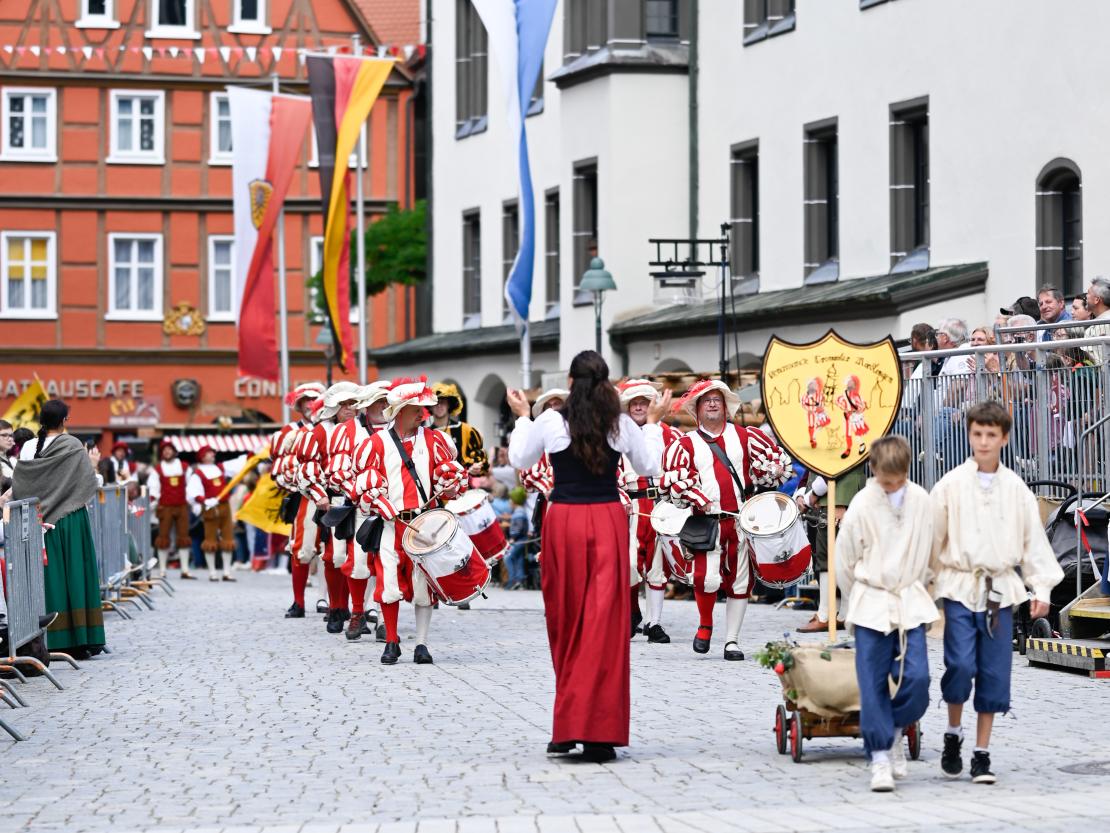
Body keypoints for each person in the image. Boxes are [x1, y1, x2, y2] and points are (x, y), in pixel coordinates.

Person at [507, 351, 668, 763]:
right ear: (606, 385)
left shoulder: (551, 420)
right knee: (604, 625)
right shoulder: (619, 425)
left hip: (563, 520)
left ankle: (568, 727)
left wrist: (523, 415)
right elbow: (649, 464)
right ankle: (597, 731)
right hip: (607, 519)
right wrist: (653, 424)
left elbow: (519, 459)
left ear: (572, 382)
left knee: (565, 620)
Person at [930, 401, 1064, 784]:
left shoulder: (1016, 489)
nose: (984, 441)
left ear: (1003, 438)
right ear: (969, 434)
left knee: (993, 672)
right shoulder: (950, 485)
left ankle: (981, 754)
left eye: (991, 435)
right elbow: (932, 537)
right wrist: (923, 585)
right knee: (959, 664)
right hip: (959, 586)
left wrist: (1041, 587)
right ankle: (953, 733)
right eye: (977, 434)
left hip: (1000, 592)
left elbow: (1032, 541)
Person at [661, 379, 791, 660]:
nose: (711, 403)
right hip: (706, 523)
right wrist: (697, 497)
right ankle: (705, 624)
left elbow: (775, 468)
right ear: (696, 408)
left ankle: (732, 641)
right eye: (706, 399)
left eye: (716, 399)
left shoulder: (746, 437)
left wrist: (773, 468)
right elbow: (675, 485)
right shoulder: (685, 444)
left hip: (741, 523)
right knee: (705, 579)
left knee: (740, 583)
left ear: (725, 406)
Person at [835, 436, 936, 792]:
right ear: (874, 470)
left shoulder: (922, 500)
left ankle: (893, 729)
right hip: (871, 600)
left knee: (918, 678)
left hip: (909, 598)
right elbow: (844, 560)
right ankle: (879, 755)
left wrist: (926, 587)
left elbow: (932, 549)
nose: (892, 485)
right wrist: (856, 598)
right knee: (872, 680)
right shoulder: (862, 503)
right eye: (885, 479)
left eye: (898, 479)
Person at [351, 378, 467, 665]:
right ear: (400, 410)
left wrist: (452, 485)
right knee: (388, 584)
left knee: (423, 588)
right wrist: (380, 503)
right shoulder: (375, 444)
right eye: (417, 408)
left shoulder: (433, 440)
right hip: (391, 526)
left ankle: (422, 644)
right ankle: (391, 640)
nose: (423, 413)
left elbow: (448, 475)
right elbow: (364, 491)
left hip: (425, 525)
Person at [12, 399, 106, 659]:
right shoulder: (74, 445)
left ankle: (51, 638)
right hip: (70, 517)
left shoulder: (30, 446)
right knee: (74, 576)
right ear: (65, 420)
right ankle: (80, 637)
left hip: (38, 518)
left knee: (47, 579)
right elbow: (89, 482)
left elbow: (23, 481)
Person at [617, 378, 683, 643]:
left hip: (660, 505)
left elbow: (682, 466)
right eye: (635, 401)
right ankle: (633, 611)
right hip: (629, 505)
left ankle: (654, 623)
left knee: (657, 566)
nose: (640, 406)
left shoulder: (672, 435)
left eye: (645, 401)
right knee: (629, 562)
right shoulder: (618, 435)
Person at [328, 381, 392, 641]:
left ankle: (381, 615)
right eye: (378, 401)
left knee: (387, 563)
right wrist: (363, 494)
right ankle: (356, 612)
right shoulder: (347, 430)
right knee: (357, 564)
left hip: (392, 507)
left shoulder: (398, 429)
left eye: (387, 402)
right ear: (367, 405)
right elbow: (338, 472)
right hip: (361, 505)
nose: (383, 407)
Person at [271, 382, 326, 618]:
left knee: (331, 550)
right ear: (299, 404)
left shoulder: (332, 428)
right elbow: (280, 468)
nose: (311, 405)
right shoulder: (289, 432)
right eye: (306, 400)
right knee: (301, 549)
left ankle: (326, 599)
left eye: (315, 399)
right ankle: (299, 601)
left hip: (335, 494)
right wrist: (301, 482)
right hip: (304, 496)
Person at [792, 465, 865, 633]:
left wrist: (813, 495)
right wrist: (803, 493)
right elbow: (813, 465)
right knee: (828, 556)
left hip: (838, 497)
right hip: (828, 496)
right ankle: (840, 613)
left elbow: (840, 463)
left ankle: (826, 615)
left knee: (831, 558)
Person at [186, 445, 246, 582]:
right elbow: (192, 492)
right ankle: (212, 572)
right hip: (210, 509)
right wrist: (205, 501)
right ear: (202, 456)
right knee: (210, 541)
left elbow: (237, 464)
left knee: (228, 539)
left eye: (212, 452)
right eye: (209, 453)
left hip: (224, 507)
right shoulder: (198, 473)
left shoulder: (220, 468)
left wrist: (252, 455)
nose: (212, 454)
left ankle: (227, 572)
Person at [147, 440, 196, 580]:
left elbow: (191, 486)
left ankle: (185, 569)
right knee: (163, 537)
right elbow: (154, 488)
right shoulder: (158, 469)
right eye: (164, 450)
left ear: (174, 451)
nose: (167, 452)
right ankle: (162, 569)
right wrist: (152, 502)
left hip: (182, 506)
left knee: (184, 537)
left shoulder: (185, 467)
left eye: (169, 450)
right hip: (165, 506)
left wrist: (191, 500)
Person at [430, 381, 488, 477]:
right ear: (430, 407)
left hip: (466, 485)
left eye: (443, 402)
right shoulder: (426, 433)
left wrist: (477, 466)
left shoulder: (466, 430)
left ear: (449, 405)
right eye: (436, 403)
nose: (439, 406)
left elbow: (481, 459)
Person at [504, 486, 529, 590]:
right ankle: (520, 579)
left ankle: (512, 580)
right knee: (519, 559)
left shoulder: (519, 513)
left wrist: (513, 538)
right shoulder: (520, 511)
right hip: (522, 539)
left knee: (508, 557)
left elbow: (517, 528)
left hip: (519, 540)